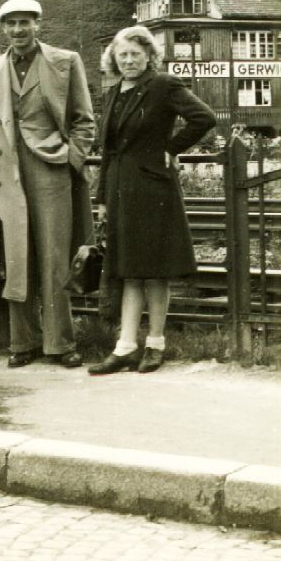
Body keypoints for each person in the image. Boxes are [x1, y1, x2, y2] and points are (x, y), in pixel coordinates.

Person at [88, 25, 218, 375]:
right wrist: (102, 197)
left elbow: (203, 117)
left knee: (155, 271)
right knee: (129, 271)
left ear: (149, 56)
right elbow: (109, 150)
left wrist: (171, 148)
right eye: (123, 55)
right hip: (119, 188)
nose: (129, 60)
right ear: (113, 58)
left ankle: (156, 343)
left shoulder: (162, 85)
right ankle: (126, 346)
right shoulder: (114, 92)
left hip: (152, 188)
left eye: (135, 54)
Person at [0, 0, 96, 369]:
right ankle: (22, 343)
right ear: (3, 28)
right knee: (17, 260)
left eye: (25, 22)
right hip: (7, 173)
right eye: (11, 24)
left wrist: (69, 157)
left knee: (54, 257)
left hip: (51, 171)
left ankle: (60, 344)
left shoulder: (65, 61)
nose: (18, 30)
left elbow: (84, 120)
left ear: (38, 24)